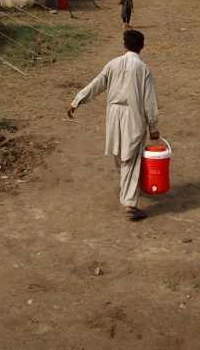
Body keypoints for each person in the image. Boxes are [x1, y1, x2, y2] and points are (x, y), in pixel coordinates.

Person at [67, 29, 160, 220]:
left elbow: (97, 84)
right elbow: (149, 101)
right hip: (133, 116)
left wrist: (77, 101)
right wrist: (153, 127)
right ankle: (130, 204)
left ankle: (127, 191)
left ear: (124, 45)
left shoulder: (113, 64)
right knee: (131, 159)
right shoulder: (143, 69)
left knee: (120, 154)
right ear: (142, 46)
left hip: (114, 115)